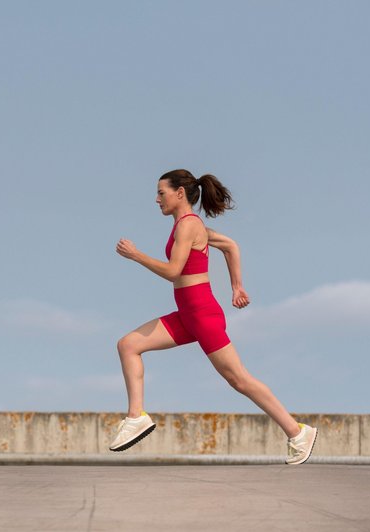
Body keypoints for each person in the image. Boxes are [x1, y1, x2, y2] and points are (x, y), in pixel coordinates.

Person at [109, 169, 317, 465]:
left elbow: (173, 271)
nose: (157, 199)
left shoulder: (188, 226)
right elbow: (230, 245)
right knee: (128, 345)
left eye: (161, 193)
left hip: (203, 315)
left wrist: (136, 255)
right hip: (187, 315)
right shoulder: (188, 226)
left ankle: (298, 433)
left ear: (179, 193)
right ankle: (136, 417)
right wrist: (236, 286)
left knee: (239, 380)